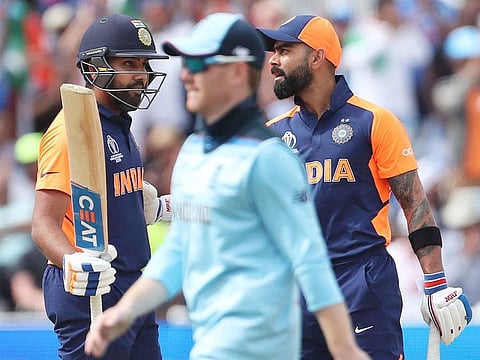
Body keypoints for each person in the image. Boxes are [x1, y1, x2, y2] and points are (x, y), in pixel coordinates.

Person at [84, 12, 370, 360]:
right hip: (207, 347)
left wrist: (344, 348)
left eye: (200, 63)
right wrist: (124, 313)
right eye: (186, 63)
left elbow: (309, 260)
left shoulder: (269, 158)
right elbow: (178, 251)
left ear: (237, 72)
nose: (186, 74)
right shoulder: (191, 151)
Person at [257, 14, 472, 359]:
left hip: (363, 284)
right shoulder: (271, 134)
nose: (273, 60)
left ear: (317, 57)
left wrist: (436, 285)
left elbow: (415, 205)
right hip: (297, 290)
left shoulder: (374, 121)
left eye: (284, 50)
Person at [31, 14, 172, 359]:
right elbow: (43, 224)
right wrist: (71, 262)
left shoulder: (119, 122)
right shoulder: (73, 131)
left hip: (131, 284)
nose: (141, 74)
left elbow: (101, 196)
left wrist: (150, 206)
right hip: (92, 288)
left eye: (143, 64)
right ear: (94, 69)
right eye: (128, 63)